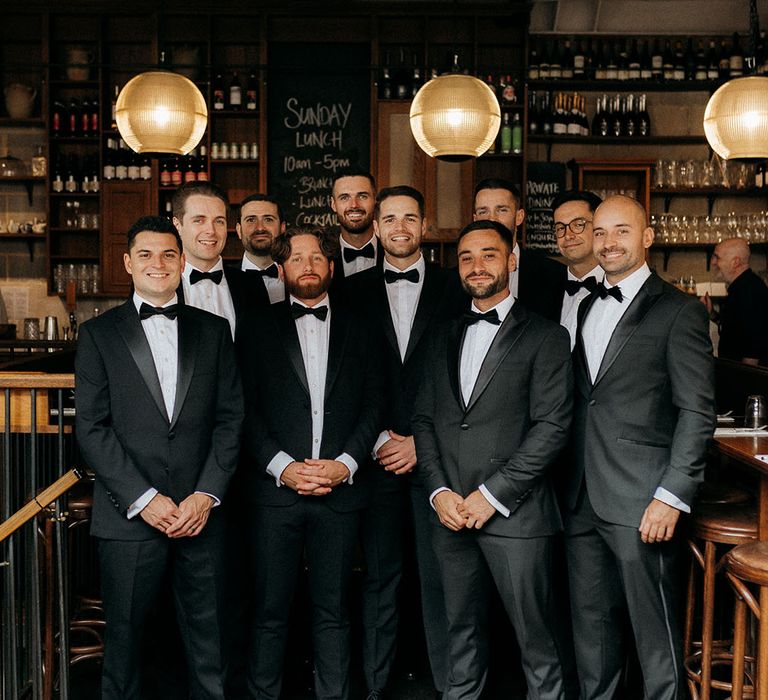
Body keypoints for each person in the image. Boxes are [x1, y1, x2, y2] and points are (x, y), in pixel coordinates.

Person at [74, 215, 244, 699]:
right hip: (129, 517)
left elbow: (231, 420)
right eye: (146, 254)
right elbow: (91, 427)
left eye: (169, 254)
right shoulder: (98, 334)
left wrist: (205, 496)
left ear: (183, 260)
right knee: (124, 649)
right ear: (128, 263)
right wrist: (144, 499)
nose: (158, 263)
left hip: (200, 515)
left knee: (209, 647)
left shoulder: (214, 331)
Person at [412, 219, 573, 700]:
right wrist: (440, 492)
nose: (476, 266)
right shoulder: (441, 335)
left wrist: (491, 496)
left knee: (537, 644)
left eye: (488, 254)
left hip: (517, 516)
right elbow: (424, 421)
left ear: (512, 260)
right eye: (466, 257)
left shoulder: (547, 336)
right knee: (459, 638)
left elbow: (552, 428)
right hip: (450, 515)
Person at [564, 195, 715, 699]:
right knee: (593, 634)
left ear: (647, 237)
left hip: (642, 498)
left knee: (656, 639)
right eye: (600, 231)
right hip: (581, 493)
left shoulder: (679, 311)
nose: (608, 242)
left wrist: (671, 495)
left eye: (621, 231)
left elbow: (697, 412)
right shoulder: (585, 304)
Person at [237, 227, 385, 700]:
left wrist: (345, 463)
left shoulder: (361, 326)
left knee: (334, 611)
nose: (307, 265)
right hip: (274, 494)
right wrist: (282, 466)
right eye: (296, 258)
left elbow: (375, 402)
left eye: (317, 257)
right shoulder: (257, 327)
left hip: (342, 492)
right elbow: (243, 409)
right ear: (281, 270)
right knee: (269, 611)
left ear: (331, 267)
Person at [346, 185, 465, 699]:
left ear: (424, 225)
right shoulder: (349, 291)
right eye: (389, 218)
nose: (398, 227)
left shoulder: (457, 286)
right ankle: (374, 688)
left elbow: (467, 375)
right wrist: (374, 440)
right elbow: (342, 380)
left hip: (441, 459)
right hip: (374, 462)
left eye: (409, 218)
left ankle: (449, 686)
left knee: (444, 581)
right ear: (375, 226)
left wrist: (421, 441)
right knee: (379, 580)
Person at [472, 178, 566, 322]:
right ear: (475, 219)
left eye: (502, 210)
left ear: (519, 216)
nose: (492, 219)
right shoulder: (455, 280)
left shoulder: (555, 274)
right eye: (483, 211)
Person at [172, 181, 240, 335]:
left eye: (219, 221)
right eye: (199, 220)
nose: (211, 230)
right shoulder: (158, 285)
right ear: (177, 226)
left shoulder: (252, 286)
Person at [551, 190, 603, 349]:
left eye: (578, 224)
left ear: (599, 226)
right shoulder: (543, 290)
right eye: (560, 228)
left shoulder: (620, 288)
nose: (568, 235)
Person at [706, 236, 768, 366]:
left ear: (735, 262)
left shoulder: (750, 290)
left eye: (717, 257)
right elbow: (736, 328)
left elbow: (753, 346)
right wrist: (712, 314)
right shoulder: (741, 287)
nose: (713, 262)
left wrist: (745, 381)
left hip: (747, 379)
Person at [329, 168, 382, 286]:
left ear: (375, 200)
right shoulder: (323, 255)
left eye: (362, 196)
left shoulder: (393, 251)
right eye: (344, 197)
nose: (354, 205)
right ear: (333, 204)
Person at [234, 193, 286, 305]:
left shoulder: (297, 278)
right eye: (251, 220)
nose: (260, 228)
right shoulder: (225, 280)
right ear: (239, 230)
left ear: (282, 228)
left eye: (268, 219)